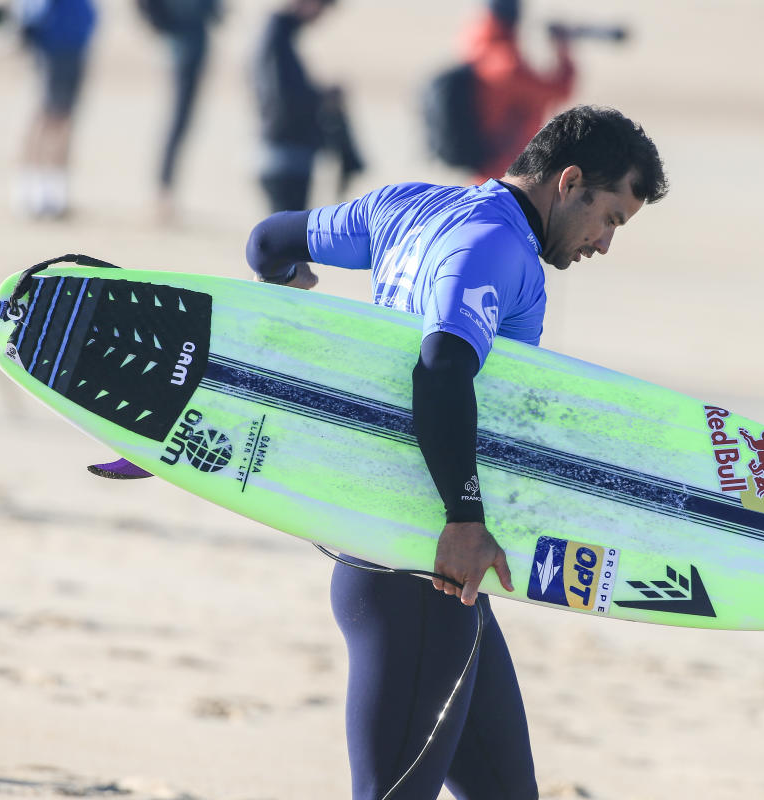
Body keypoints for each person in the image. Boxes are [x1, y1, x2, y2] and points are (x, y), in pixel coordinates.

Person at [245, 105, 667, 798]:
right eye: (610, 219)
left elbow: (268, 241)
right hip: (422, 561)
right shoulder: (496, 248)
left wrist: (290, 287)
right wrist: (466, 519)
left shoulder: (405, 207)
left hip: (423, 567)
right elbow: (440, 368)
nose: (604, 244)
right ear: (569, 182)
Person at [252, 0, 362, 214]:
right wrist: (323, 97)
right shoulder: (276, 39)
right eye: (323, 8)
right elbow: (283, 100)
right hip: (284, 155)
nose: (321, 17)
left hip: (285, 153)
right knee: (286, 240)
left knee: (288, 236)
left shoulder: (279, 36)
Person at [462, 0, 574, 182]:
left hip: (488, 163)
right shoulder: (507, 64)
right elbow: (558, 90)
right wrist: (563, 51)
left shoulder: (477, 50)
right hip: (506, 166)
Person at [13, 0, 97, 219]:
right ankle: (31, 190)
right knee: (47, 116)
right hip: (53, 42)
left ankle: (55, 193)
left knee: (65, 118)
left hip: (76, 41)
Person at [139, 0, 222, 223]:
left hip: (195, 43)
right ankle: (163, 194)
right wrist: (166, 25)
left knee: (183, 123)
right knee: (177, 122)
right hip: (182, 46)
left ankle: (166, 194)